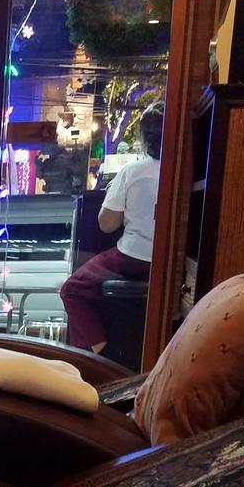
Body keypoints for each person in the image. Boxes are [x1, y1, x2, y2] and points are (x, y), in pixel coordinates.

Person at [60, 103, 165, 354]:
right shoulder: (186, 171)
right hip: (170, 264)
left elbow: (107, 225)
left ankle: (101, 354)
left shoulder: (133, 171)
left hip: (132, 258)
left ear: (144, 137)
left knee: (72, 289)